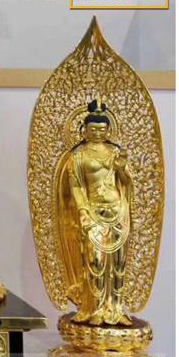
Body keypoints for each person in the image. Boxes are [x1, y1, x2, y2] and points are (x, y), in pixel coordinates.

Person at [56, 99, 132, 326]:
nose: (98, 133)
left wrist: (121, 167)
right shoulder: (78, 156)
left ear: (109, 130)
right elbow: (77, 186)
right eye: (93, 129)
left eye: (102, 129)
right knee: (95, 263)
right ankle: (94, 309)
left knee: (118, 264)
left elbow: (126, 182)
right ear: (84, 130)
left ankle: (115, 309)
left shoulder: (115, 152)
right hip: (93, 212)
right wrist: (82, 210)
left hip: (118, 211)